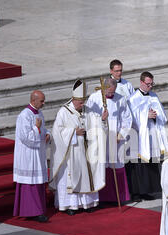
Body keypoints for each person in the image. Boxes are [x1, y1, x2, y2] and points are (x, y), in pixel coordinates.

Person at [49, 79, 107, 216]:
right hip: (70, 153)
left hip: (85, 150)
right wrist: (73, 132)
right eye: (80, 102)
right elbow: (56, 132)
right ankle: (70, 205)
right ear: (74, 99)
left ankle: (87, 204)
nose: (83, 104)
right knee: (71, 178)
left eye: (83, 102)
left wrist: (103, 119)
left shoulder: (86, 110)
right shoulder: (63, 112)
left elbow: (96, 123)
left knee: (87, 176)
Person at [86, 78, 132, 205]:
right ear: (104, 88)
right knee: (101, 164)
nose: (112, 95)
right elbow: (88, 118)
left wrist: (121, 134)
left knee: (116, 165)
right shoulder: (94, 98)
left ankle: (118, 197)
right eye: (110, 92)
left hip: (116, 139)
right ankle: (100, 198)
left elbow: (126, 118)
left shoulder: (120, 99)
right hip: (100, 139)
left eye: (113, 92)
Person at [126, 71, 168, 201]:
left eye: (152, 84)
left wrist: (156, 116)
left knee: (151, 161)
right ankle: (137, 193)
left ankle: (149, 190)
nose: (150, 87)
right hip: (139, 137)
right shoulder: (133, 99)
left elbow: (163, 116)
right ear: (141, 82)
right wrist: (146, 116)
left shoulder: (154, 97)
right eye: (148, 84)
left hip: (152, 135)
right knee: (138, 164)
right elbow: (130, 119)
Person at [13, 90, 51, 222]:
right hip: (28, 155)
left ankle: (39, 209)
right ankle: (32, 211)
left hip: (38, 153)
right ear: (33, 100)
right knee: (30, 183)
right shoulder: (24, 115)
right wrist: (36, 128)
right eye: (41, 101)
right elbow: (25, 137)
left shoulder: (39, 113)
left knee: (38, 181)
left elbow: (43, 129)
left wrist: (47, 134)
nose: (44, 103)